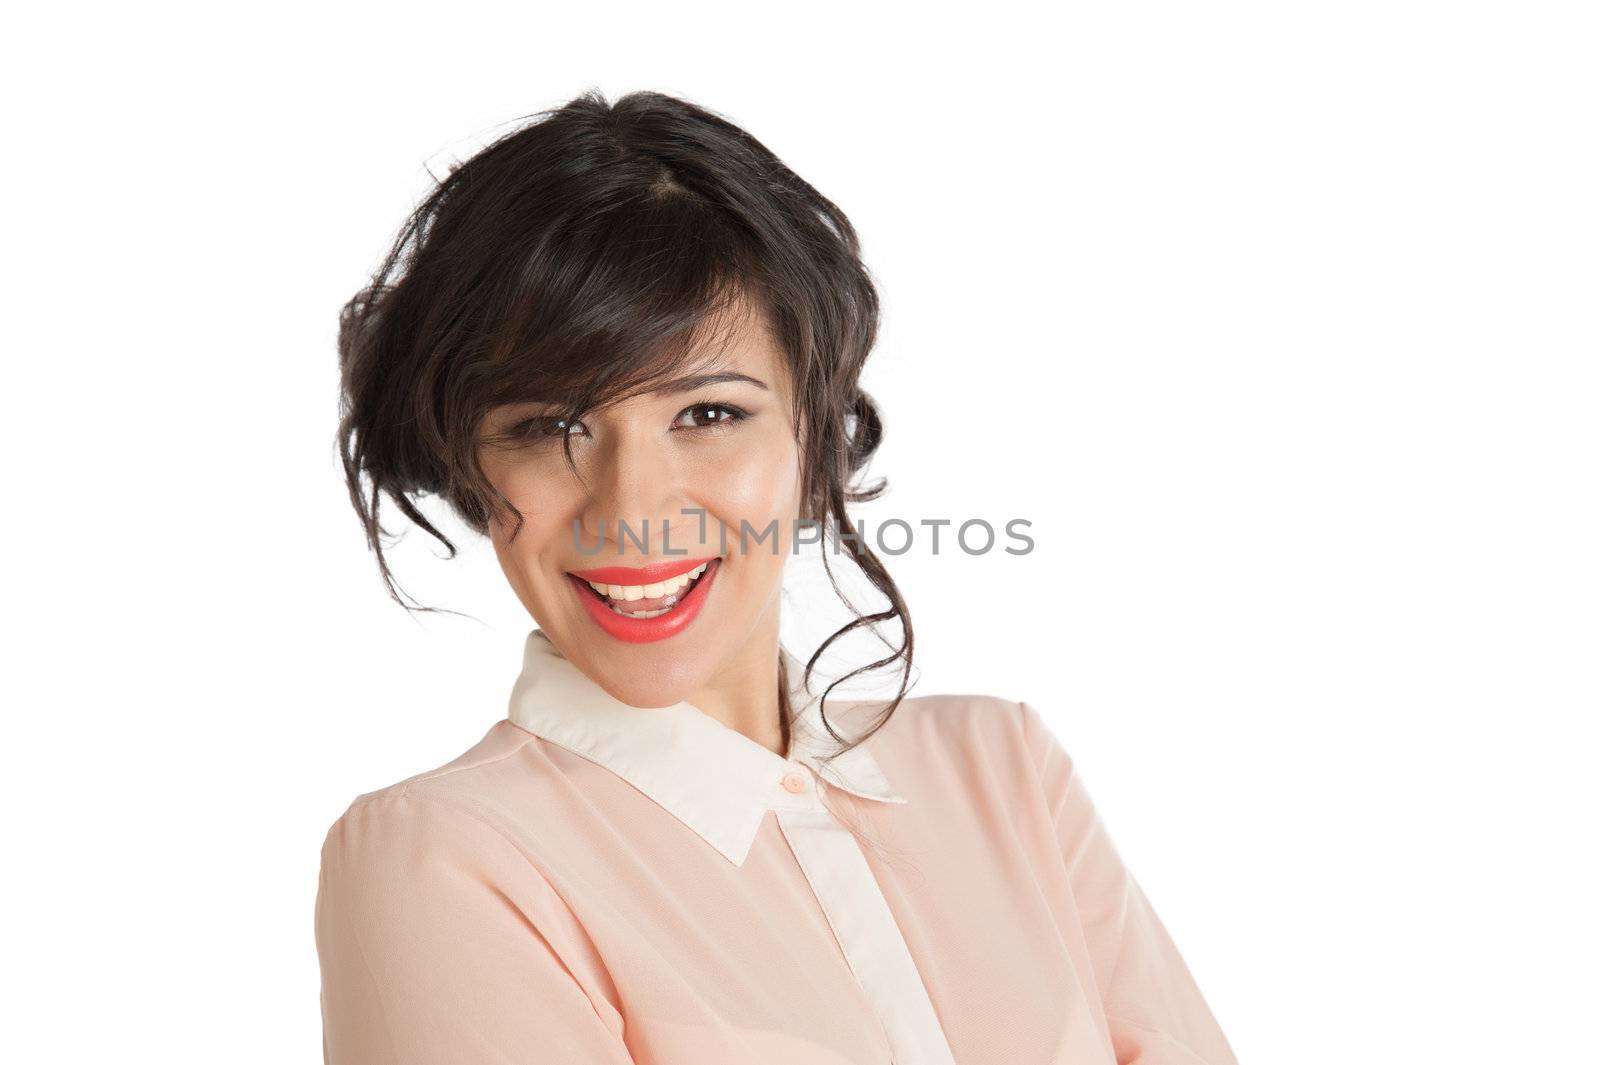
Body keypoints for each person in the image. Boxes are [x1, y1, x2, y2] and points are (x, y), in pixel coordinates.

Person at [315, 87, 1238, 1065]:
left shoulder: (1003, 773)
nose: (633, 505)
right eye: (550, 427)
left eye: (708, 414)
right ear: (471, 463)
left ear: (815, 439)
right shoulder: (446, 859)